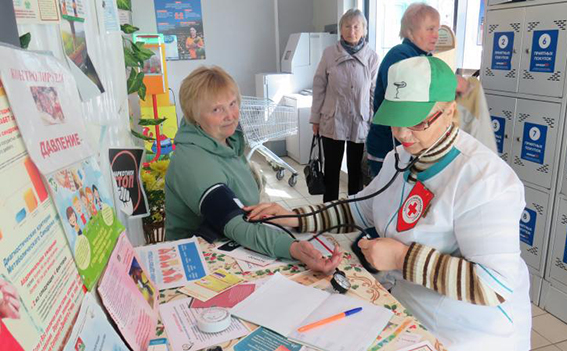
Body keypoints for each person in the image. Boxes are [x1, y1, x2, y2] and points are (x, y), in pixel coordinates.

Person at [247, 57, 531, 350]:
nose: (402, 133)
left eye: (417, 121)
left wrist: (401, 258)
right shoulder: (403, 158)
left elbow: (494, 285)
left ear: (449, 112)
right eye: (395, 118)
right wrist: (294, 217)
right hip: (407, 306)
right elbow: (359, 207)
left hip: (465, 330)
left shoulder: (486, 180)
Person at [165, 66, 341, 274]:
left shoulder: (226, 140)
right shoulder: (194, 162)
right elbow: (235, 224)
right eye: (216, 109)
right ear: (194, 116)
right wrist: (293, 248)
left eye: (232, 104)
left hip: (230, 248)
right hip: (196, 264)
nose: (230, 115)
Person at [366, 3, 469, 177]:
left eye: (437, 29)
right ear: (410, 31)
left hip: (405, 148)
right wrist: (454, 82)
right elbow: (411, 93)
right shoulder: (401, 56)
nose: (436, 35)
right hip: (388, 147)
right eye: (430, 29)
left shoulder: (424, 58)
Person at [310, 9, 379, 202]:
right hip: (332, 120)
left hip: (360, 121)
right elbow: (319, 86)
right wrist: (315, 118)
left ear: (363, 30)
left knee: (356, 171)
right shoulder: (329, 53)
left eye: (357, 26)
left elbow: (374, 91)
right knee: (331, 170)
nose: (352, 30)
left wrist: (372, 119)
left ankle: (353, 213)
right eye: (347, 26)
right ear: (341, 29)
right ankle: (329, 211)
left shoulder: (372, 57)